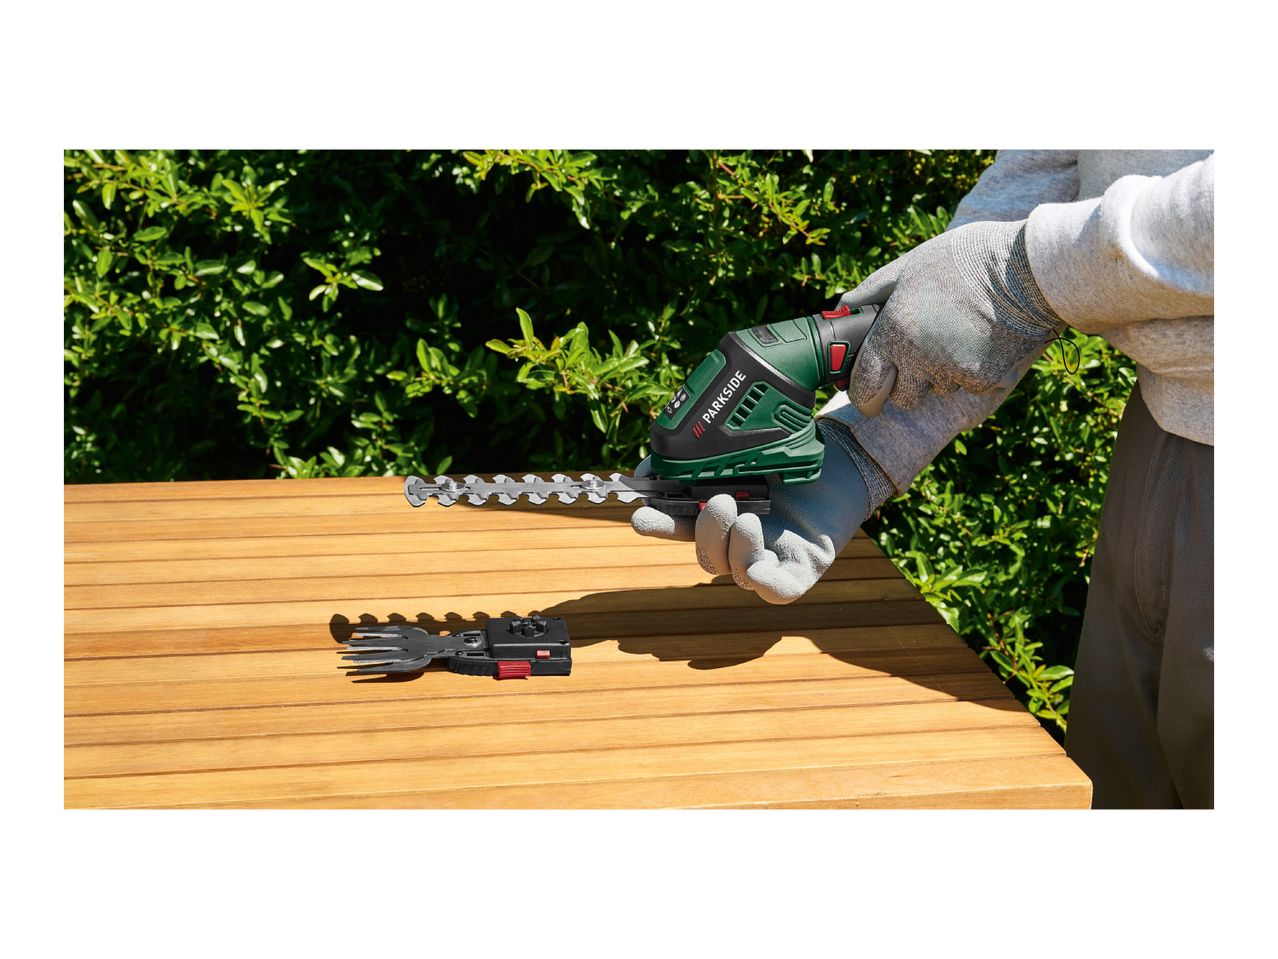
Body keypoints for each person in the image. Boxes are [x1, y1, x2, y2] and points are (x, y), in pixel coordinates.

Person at [631, 150, 1214, 809]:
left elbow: (1018, 270)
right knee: (1116, 797)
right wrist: (857, 442)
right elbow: (1040, 179)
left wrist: (1024, 273)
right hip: (1158, 433)